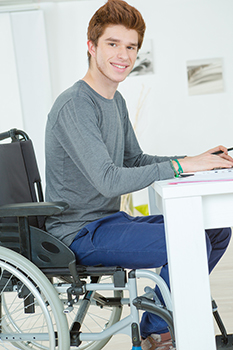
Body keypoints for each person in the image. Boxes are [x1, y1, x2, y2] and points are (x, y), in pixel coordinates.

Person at [45, 1, 233, 349]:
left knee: (217, 229)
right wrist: (181, 167)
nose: (123, 55)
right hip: (78, 232)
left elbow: (134, 159)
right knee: (188, 239)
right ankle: (159, 331)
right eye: (112, 44)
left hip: (108, 221)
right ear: (91, 46)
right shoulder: (75, 105)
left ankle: (156, 324)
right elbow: (109, 179)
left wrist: (196, 159)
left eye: (130, 46)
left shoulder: (114, 102)